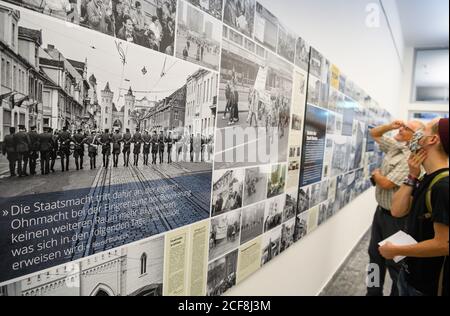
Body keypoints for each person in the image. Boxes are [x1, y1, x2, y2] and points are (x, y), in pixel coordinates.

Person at [380, 118, 449, 296]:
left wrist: (396, 250)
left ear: (432, 140)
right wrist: (412, 175)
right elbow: (397, 210)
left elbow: (444, 245)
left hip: (426, 286)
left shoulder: (443, 186)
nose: (416, 135)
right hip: (410, 273)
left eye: (424, 129)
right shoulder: (426, 177)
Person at [367, 119, 425, 296]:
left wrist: (376, 174)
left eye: (405, 128)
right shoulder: (396, 147)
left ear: (416, 137)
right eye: (401, 125)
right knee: (374, 257)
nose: (400, 128)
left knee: (395, 263)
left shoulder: (412, 159)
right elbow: (375, 133)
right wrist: (390, 126)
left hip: (397, 219)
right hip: (381, 212)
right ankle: (372, 293)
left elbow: (385, 183)